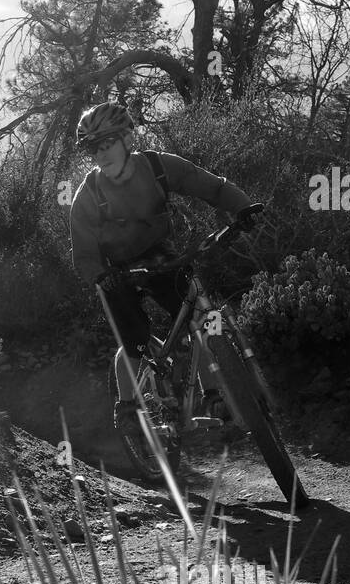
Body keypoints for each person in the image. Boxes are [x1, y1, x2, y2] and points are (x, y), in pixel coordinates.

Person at [68, 101, 254, 440]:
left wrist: (243, 207)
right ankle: (126, 408)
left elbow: (211, 186)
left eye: (107, 142)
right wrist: (99, 275)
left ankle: (215, 397)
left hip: (159, 256)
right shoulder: (89, 193)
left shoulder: (157, 166)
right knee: (133, 338)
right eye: (94, 147)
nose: (102, 153)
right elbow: (83, 252)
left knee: (200, 315)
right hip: (117, 270)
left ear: (126, 138)